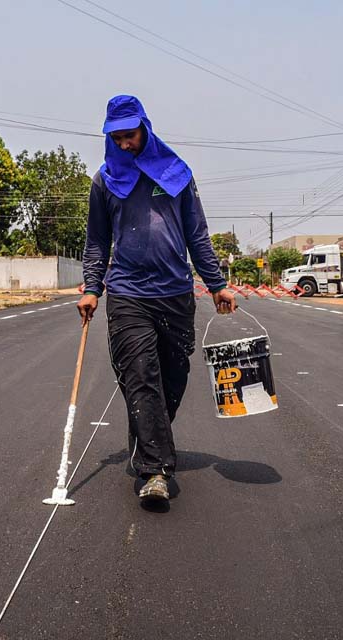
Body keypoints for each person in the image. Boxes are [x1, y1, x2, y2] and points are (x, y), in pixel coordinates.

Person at [77, 95, 237, 504]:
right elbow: (97, 241)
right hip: (128, 292)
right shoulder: (104, 181)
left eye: (129, 135)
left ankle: (147, 442)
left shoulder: (177, 175)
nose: (124, 144)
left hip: (175, 293)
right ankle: (154, 472)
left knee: (172, 379)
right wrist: (93, 287)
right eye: (116, 137)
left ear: (145, 129)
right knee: (140, 376)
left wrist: (216, 283)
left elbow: (196, 234)